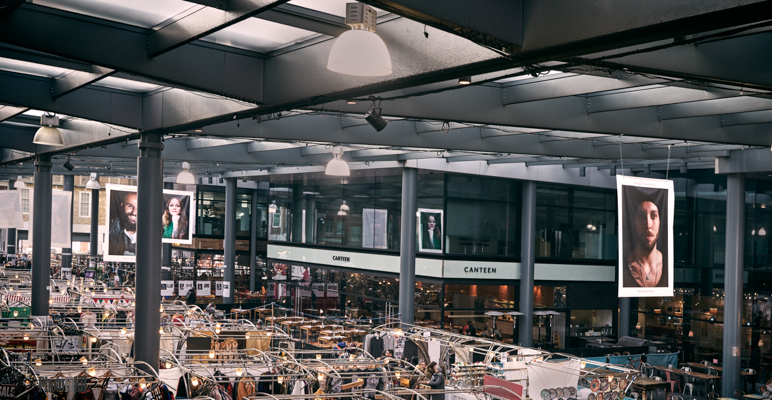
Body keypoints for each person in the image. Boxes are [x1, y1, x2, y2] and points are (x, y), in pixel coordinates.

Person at [624, 197, 665, 287]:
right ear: (634, 222)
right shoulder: (626, 263)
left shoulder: (667, 263)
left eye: (653, 216)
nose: (648, 225)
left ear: (660, 222)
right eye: (642, 216)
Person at [109, 192, 138, 256]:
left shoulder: (153, 232)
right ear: (122, 206)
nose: (134, 212)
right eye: (130, 206)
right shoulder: (110, 230)